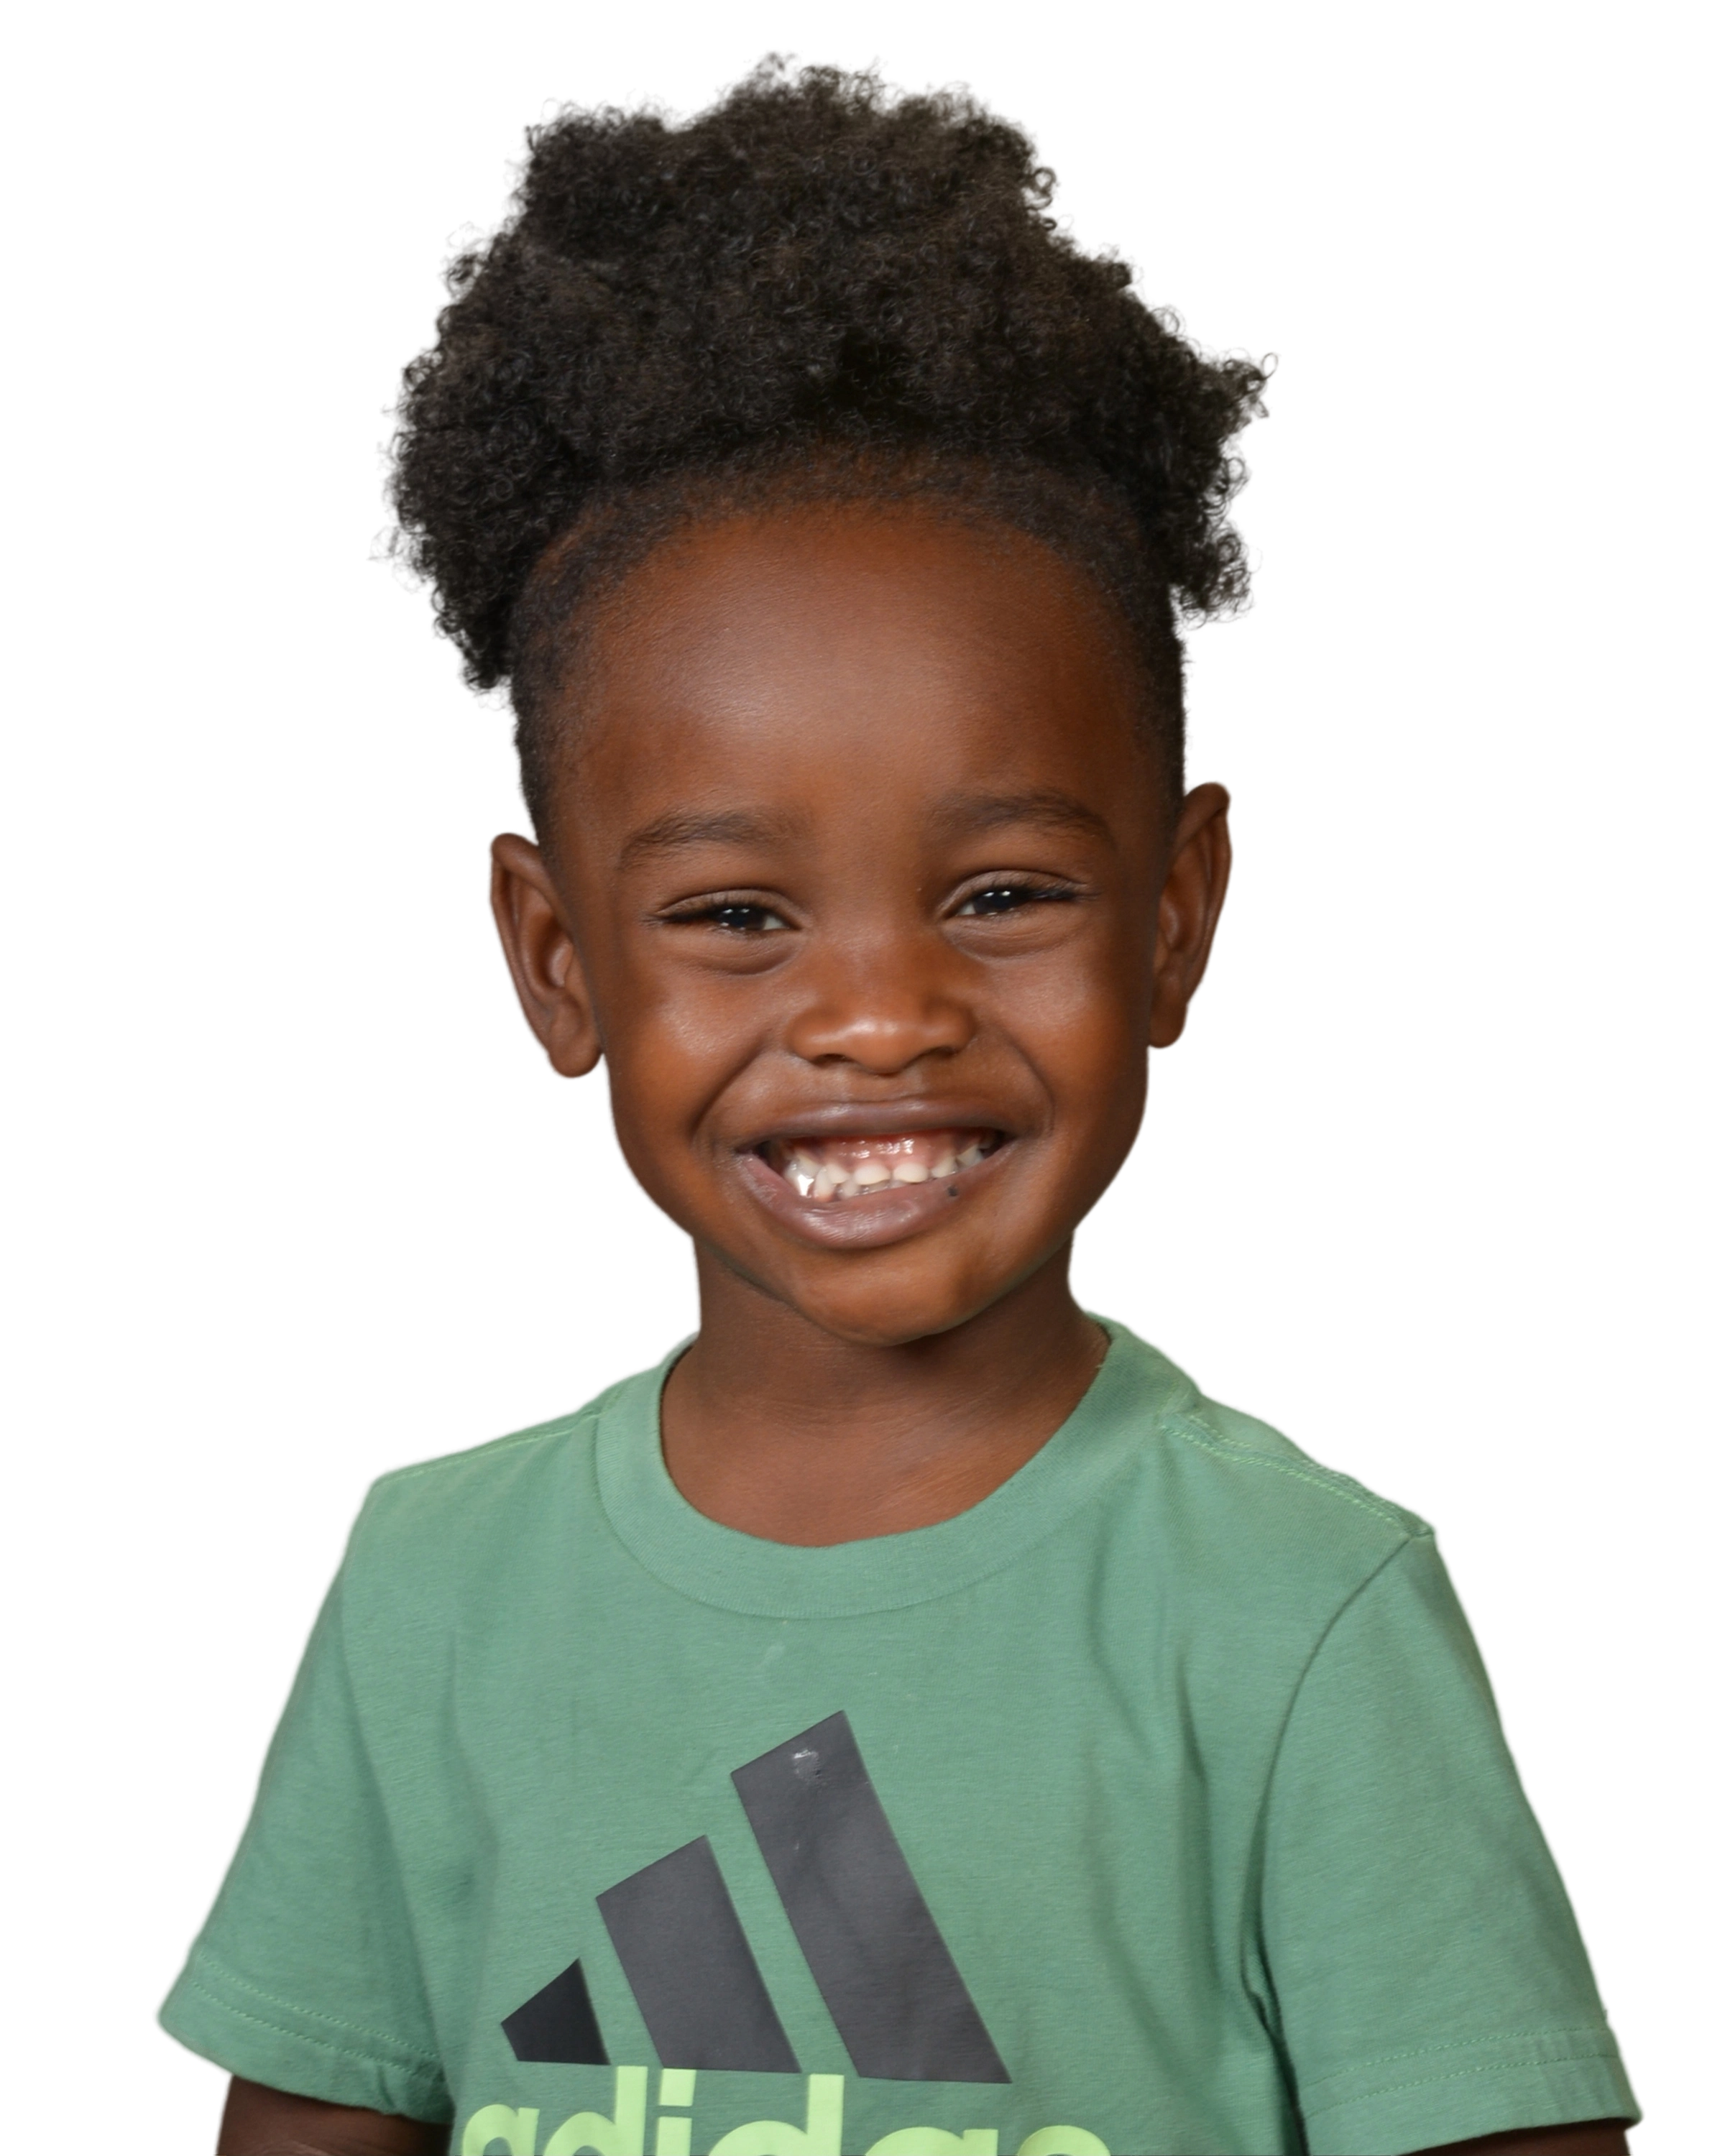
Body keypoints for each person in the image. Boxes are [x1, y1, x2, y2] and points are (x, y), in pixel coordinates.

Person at [150, 49, 1645, 2156]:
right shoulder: (431, 1587)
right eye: (737, 915)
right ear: (557, 962)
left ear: (1178, 919)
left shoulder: (1297, 1610)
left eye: (1002, 893)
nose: (877, 1017)